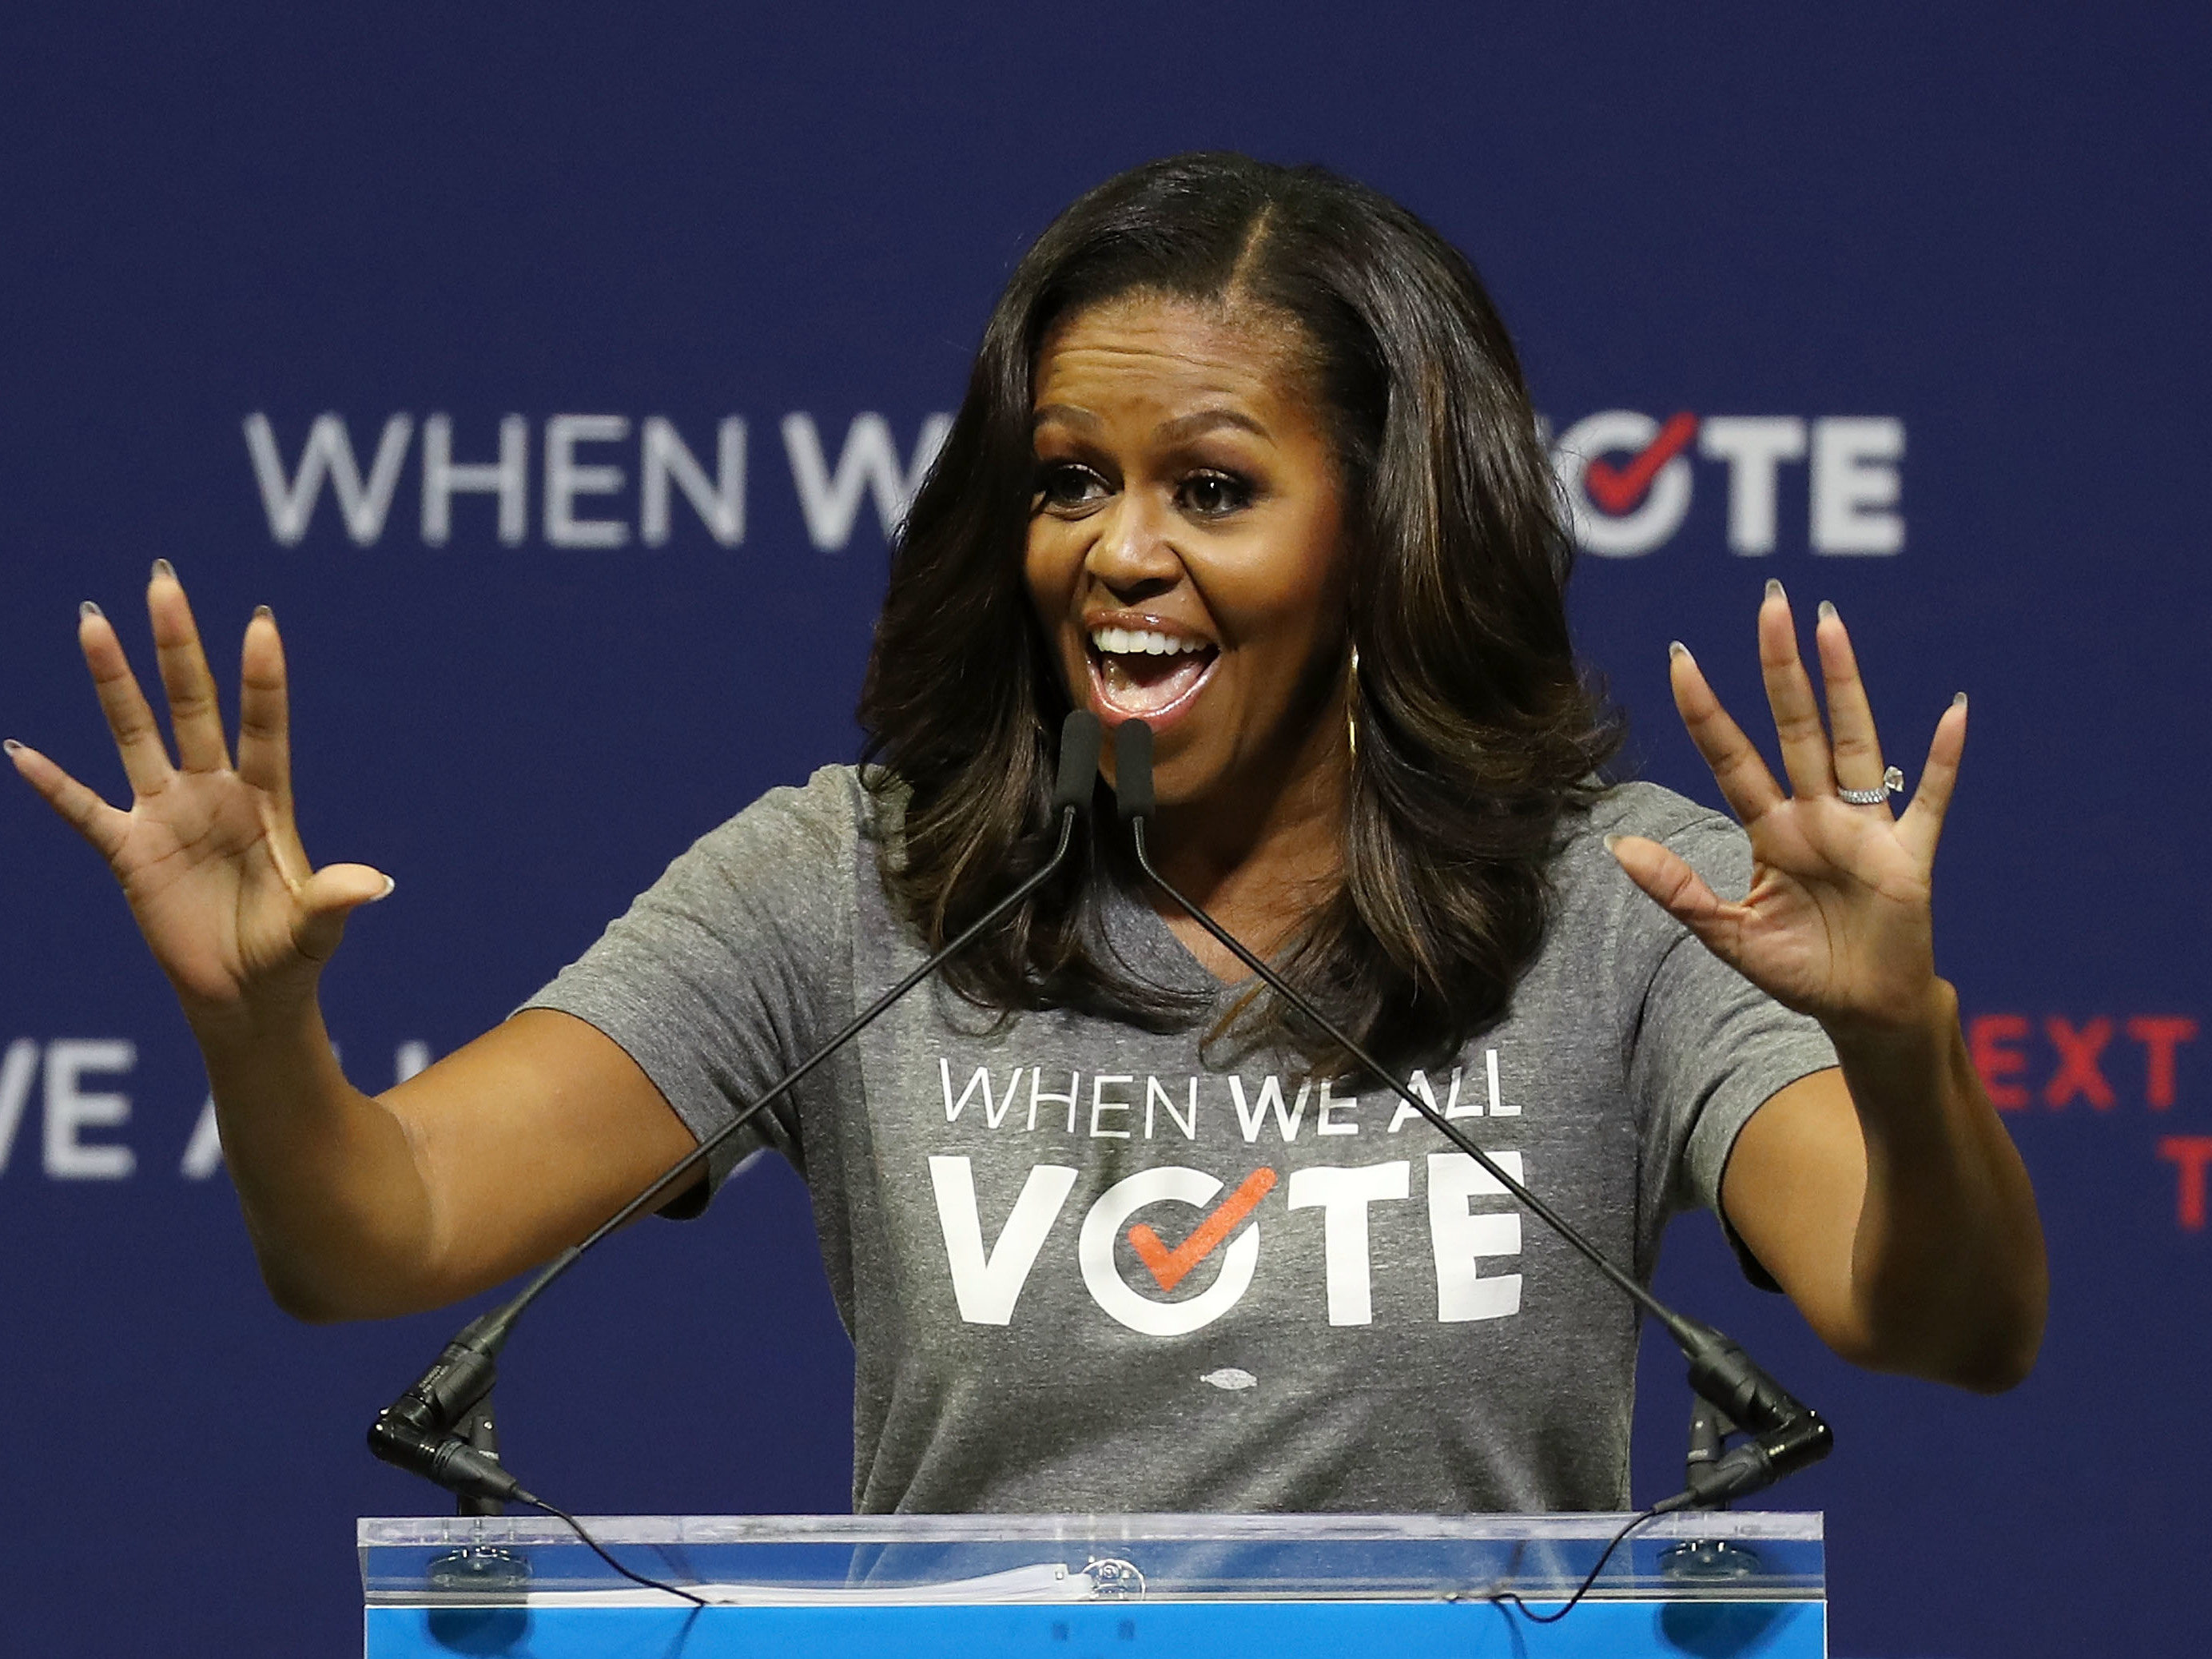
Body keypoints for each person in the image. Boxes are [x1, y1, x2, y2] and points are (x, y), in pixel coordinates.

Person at [6, 153, 2043, 1514]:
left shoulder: (1617, 900)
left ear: (1392, 536)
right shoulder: (847, 885)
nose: (1119, 552)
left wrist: (1896, 1035)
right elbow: (377, 1234)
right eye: (1071, 479)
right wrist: (257, 1032)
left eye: (1215, 488)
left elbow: (1944, 1322)